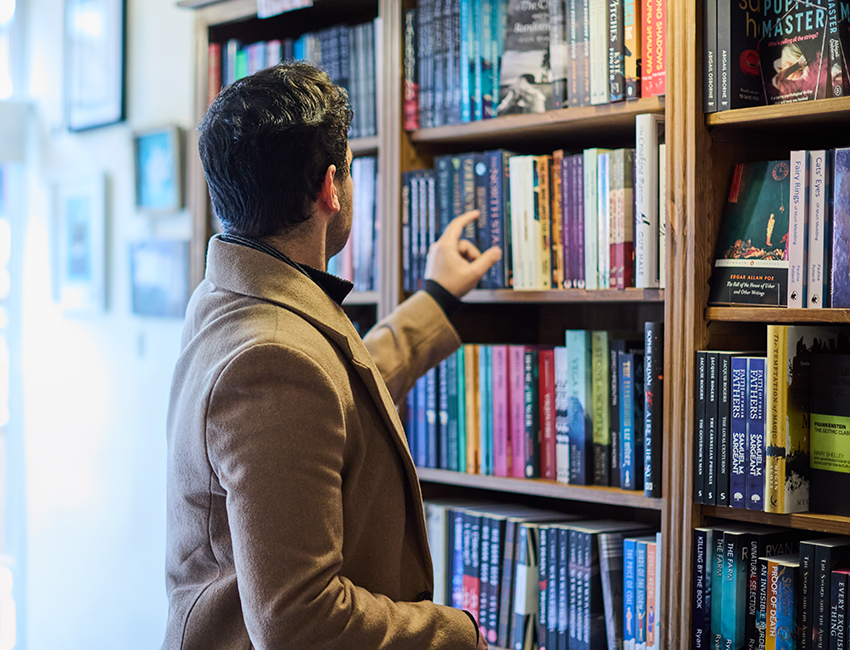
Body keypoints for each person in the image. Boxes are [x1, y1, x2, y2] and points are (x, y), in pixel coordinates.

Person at [162, 61, 501, 650]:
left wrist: (437, 298)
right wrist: (457, 633)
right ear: (330, 188)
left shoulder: (232, 296)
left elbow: (334, 390)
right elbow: (301, 623)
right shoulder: (270, 360)